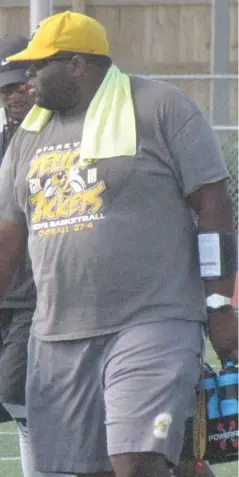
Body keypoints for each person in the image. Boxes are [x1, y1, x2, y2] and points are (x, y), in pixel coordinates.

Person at [0, 11, 237, 477]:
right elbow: (8, 235)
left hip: (152, 322)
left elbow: (214, 206)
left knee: (137, 459)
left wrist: (218, 304)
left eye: (38, 65)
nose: (28, 77)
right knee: (92, 469)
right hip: (58, 335)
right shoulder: (28, 138)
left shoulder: (161, 107)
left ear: (77, 64)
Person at [0, 34, 70, 477]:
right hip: (7, 286)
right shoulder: (7, 138)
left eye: (21, 85)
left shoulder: (58, 137)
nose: (13, 96)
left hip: (34, 290)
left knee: (19, 395)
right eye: (5, 89)